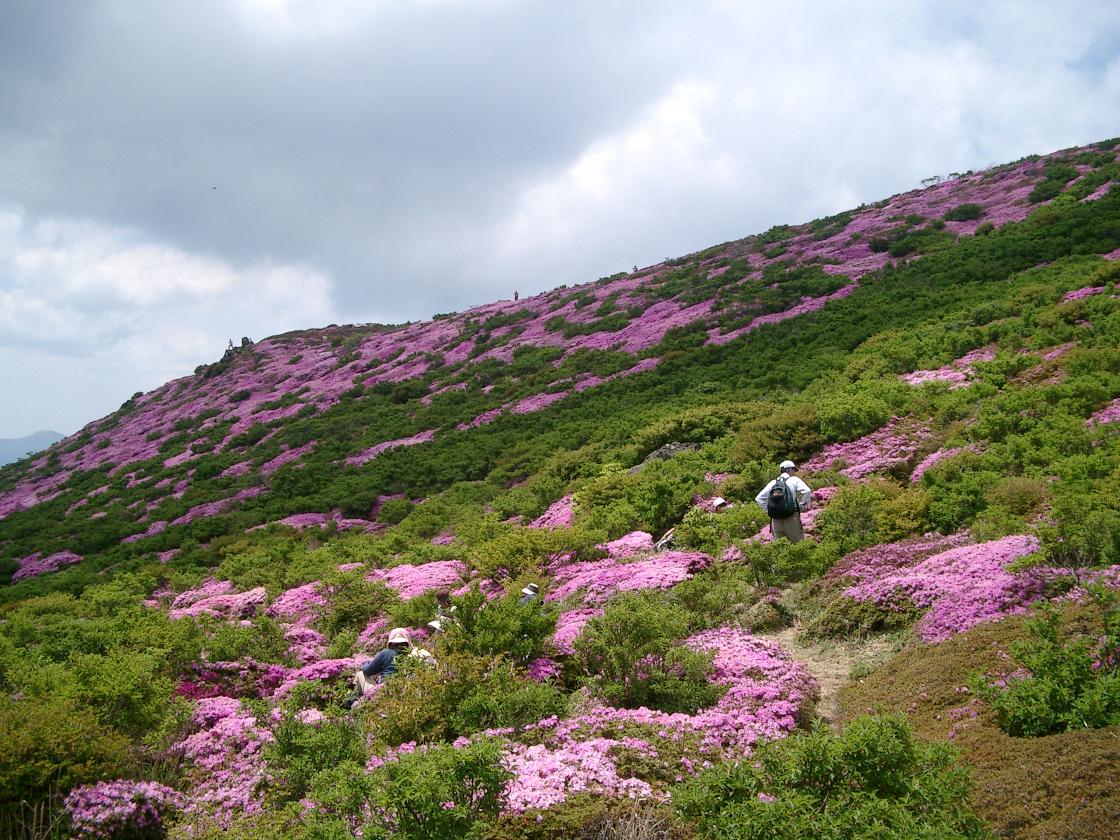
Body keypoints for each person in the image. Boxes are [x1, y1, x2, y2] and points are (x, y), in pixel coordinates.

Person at [755, 459, 812, 543]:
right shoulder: (794, 480)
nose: (794, 472)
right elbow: (807, 491)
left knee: (780, 547)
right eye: (793, 470)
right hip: (791, 517)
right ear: (789, 469)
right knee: (799, 545)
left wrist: (769, 510)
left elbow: (759, 498)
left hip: (775, 520)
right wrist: (802, 504)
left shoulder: (773, 482)